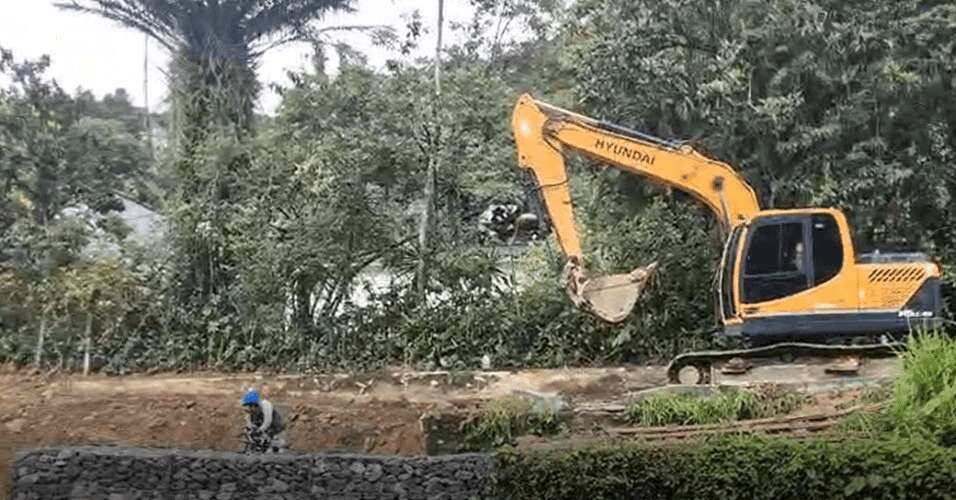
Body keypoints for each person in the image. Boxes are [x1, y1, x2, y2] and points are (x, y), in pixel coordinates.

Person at [240, 388, 287, 453]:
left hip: (276, 427)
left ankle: (277, 449)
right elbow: (249, 422)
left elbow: (268, 421)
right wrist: (251, 430)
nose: (249, 409)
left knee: (277, 446)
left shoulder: (266, 405)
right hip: (265, 429)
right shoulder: (251, 411)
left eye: (250, 406)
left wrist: (259, 431)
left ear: (255, 404)